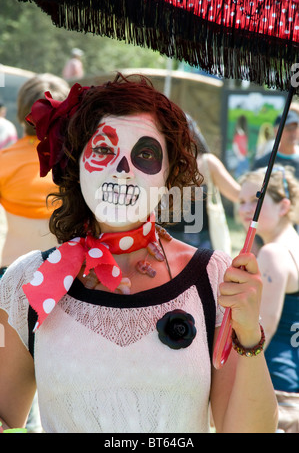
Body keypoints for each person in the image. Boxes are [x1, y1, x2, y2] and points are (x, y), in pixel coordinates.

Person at [0, 73, 277, 433]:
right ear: (75, 160)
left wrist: (249, 335)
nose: (122, 171)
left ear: (168, 173)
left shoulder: (214, 280)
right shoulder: (31, 282)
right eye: (103, 149)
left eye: (145, 153)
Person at [238, 166, 299, 433]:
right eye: (241, 201)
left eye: (256, 199)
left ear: (284, 206)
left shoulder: (273, 253)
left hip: (276, 389)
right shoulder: (291, 246)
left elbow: (261, 332)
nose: (245, 209)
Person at [0, 74, 70, 275]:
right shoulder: (78, 164)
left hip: (11, 271)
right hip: (64, 275)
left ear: (22, 112)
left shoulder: (4, 160)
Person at [166, 115, 240, 254]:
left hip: (202, 248)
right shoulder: (160, 165)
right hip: (168, 246)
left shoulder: (207, 164)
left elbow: (238, 195)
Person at [252, 110, 299, 178]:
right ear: (276, 131)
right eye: (288, 129)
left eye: (295, 128)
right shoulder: (263, 163)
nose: (293, 133)